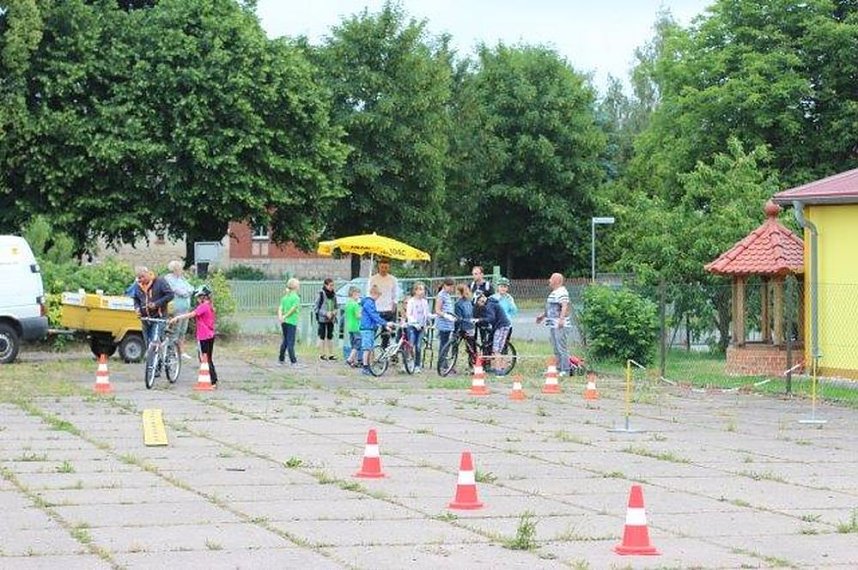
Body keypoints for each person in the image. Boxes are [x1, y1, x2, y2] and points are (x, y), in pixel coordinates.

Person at [170, 285, 217, 386]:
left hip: (203, 336)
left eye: (199, 297)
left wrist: (177, 317)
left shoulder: (203, 306)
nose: (197, 299)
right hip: (210, 335)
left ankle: (211, 380)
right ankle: (213, 379)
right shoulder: (210, 306)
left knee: (204, 358)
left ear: (203, 297)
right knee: (208, 358)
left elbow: (192, 314)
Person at [536, 272, 571, 376]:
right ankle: (558, 368)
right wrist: (542, 316)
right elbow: (550, 308)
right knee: (555, 347)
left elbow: (564, 306)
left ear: (557, 281)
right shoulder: (554, 292)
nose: (549, 281)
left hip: (560, 325)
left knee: (561, 347)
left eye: (551, 279)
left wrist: (561, 319)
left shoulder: (562, 292)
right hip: (552, 324)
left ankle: (566, 370)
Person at [131, 266, 174, 349]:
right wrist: (137, 308)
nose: (141, 280)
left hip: (158, 317)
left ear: (148, 273)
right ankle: (152, 360)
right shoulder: (137, 285)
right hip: (145, 318)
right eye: (139, 278)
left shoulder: (160, 281)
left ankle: (160, 357)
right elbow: (136, 298)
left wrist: (156, 304)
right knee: (148, 344)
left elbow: (170, 295)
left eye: (142, 277)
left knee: (155, 342)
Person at [164, 260, 195, 360]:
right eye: (179, 269)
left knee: (183, 330)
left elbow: (191, 288)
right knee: (175, 330)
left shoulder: (182, 278)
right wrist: (186, 292)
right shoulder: (169, 278)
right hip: (176, 308)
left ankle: (181, 351)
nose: (181, 270)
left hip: (185, 308)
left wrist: (187, 292)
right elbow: (177, 290)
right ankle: (172, 351)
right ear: (175, 269)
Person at [474, 292, 512, 374]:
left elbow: (491, 318)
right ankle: (502, 368)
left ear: (483, 297)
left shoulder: (489, 305)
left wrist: (480, 320)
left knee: (496, 350)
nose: (479, 304)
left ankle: (498, 370)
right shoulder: (492, 302)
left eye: (479, 301)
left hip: (501, 326)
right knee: (499, 348)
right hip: (505, 325)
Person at [360, 284, 393, 376]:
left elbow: (374, 317)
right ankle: (365, 367)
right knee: (367, 348)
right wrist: (385, 323)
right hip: (367, 328)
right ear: (374, 294)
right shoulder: (369, 303)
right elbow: (374, 315)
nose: (378, 298)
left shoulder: (369, 302)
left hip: (370, 328)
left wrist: (384, 325)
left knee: (370, 348)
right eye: (378, 296)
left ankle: (368, 366)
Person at [368, 258, 400, 348]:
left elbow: (396, 293)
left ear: (388, 268)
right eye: (382, 267)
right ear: (379, 267)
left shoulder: (393, 279)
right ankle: (369, 352)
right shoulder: (373, 279)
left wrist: (394, 304)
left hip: (388, 309)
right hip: (376, 309)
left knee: (387, 334)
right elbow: (369, 293)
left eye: (386, 267)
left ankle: (384, 351)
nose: (384, 269)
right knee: (372, 332)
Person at [405, 282, 430, 373]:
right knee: (411, 345)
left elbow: (427, 314)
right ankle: (408, 362)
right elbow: (409, 315)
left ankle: (417, 365)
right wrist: (415, 323)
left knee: (419, 347)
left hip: (421, 327)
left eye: (422, 289)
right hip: (412, 326)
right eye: (419, 289)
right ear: (415, 291)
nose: (421, 291)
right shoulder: (411, 301)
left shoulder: (424, 302)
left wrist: (435, 317)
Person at [278, 278, 301, 368]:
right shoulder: (296, 298)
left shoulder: (285, 297)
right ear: (295, 287)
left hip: (284, 322)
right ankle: (293, 361)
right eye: (298, 285)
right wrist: (286, 316)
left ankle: (281, 359)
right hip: (291, 322)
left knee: (285, 341)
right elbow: (293, 309)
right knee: (290, 342)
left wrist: (281, 317)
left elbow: (280, 308)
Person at [314, 278, 338, 361]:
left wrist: (334, 312)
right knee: (322, 336)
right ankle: (322, 354)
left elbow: (336, 306)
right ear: (325, 285)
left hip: (331, 319)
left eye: (333, 285)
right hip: (322, 319)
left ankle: (331, 354)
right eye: (330, 285)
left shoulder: (334, 295)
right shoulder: (321, 294)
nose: (332, 287)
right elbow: (316, 308)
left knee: (330, 336)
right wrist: (325, 313)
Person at [454, 284, 477, 362]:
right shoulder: (469, 301)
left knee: (455, 345)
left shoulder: (458, 304)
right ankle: (473, 363)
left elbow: (458, 318)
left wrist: (455, 330)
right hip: (471, 326)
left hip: (462, 327)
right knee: (471, 346)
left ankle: (452, 359)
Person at [434, 278, 456, 355]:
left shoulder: (447, 295)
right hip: (443, 324)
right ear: (444, 286)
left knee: (447, 344)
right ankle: (442, 363)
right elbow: (437, 310)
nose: (451, 288)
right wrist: (446, 315)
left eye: (452, 287)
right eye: (449, 286)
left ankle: (445, 363)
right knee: (443, 344)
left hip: (449, 324)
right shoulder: (441, 295)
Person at [343, 286, 362, 367]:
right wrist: (362, 313)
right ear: (354, 294)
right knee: (357, 344)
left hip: (349, 326)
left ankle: (353, 362)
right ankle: (350, 359)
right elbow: (358, 316)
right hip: (356, 326)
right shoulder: (355, 304)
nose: (359, 297)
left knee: (353, 343)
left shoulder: (347, 303)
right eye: (358, 295)